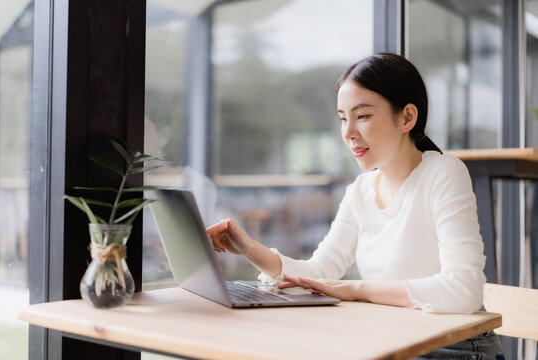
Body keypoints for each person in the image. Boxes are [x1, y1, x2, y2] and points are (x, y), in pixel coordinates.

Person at [206, 53, 504, 359]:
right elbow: (318, 273)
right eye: (342, 118)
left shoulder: (443, 172)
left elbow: (464, 290)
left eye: (362, 116)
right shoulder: (360, 191)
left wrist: (357, 289)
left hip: (455, 348)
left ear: (407, 118)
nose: (348, 133)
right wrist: (249, 249)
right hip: (395, 343)